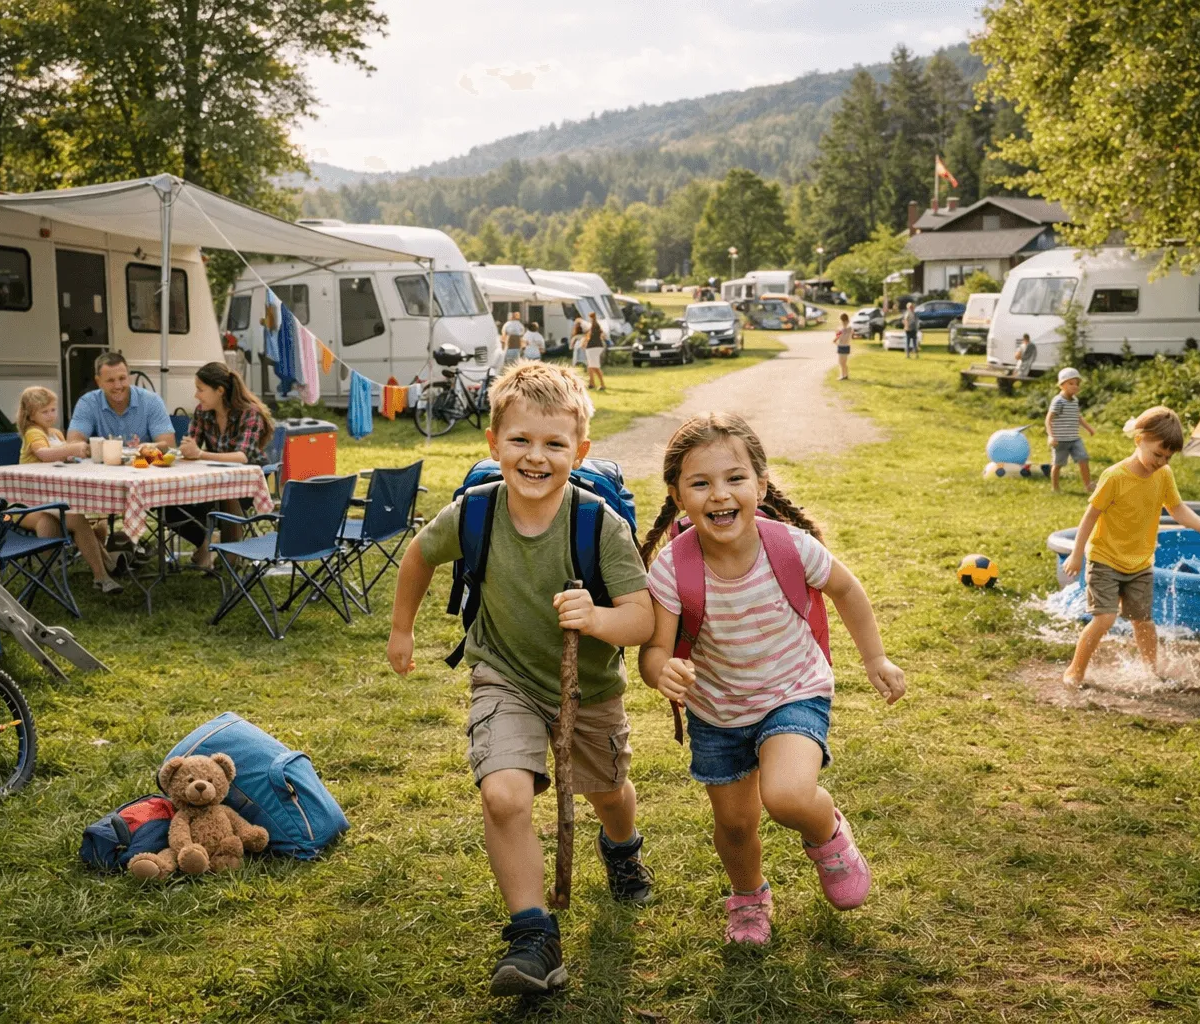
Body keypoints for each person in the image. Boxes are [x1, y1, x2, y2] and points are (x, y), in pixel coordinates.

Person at [387, 362, 654, 997]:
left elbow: (641, 618)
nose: (536, 457)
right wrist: (402, 629)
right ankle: (534, 935)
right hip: (503, 674)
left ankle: (621, 849)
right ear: (493, 443)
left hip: (588, 690)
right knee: (504, 795)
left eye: (554, 444)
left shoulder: (598, 525)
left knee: (609, 790)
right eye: (521, 441)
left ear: (579, 451)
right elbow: (420, 555)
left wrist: (597, 617)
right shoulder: (474, 512)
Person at [636, 413, 905, 945]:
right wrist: (659, 671)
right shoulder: (671, 567)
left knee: (785, 795)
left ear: (760, 484)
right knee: (735, 826)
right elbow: (654, 650)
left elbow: (846, 590)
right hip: (717, 711)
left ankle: (827, 834)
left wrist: (875, 659)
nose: (720, 494)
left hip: (793, 691)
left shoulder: (788, 545)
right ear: (677, 495)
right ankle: (749, 898)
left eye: (735, 478)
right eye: (700, 482)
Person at [1060, 407, 1200, 685]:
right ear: (1139, 440)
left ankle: (1151, 671)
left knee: (1144, 621)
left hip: (1139, 563)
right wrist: (1076, 555)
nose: (1161, 461)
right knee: (1105, 619)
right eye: (1157, 454)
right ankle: (1075, 670)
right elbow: (1090, 517)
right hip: (1105, 559)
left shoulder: (1163, 475)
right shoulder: (1115, 477)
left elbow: (1177, 508)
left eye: (1167, 457)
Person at [15, 387, 124, 593]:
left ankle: (105, 564)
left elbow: (64, 456)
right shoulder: (33, 433)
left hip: (53, 497)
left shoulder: (55, 433)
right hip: (31, 498)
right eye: (44, 411)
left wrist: (79, 453)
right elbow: (45, 454)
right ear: (30, 415)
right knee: (76, 519)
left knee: (93, 519)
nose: (51, 415)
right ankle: (102, 575)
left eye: (53, 410)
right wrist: (71, 448)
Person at [170, 362, 275, 573]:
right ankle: (205, 543)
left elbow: (242, 456)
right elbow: (192, 445)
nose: (196, 395)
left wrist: (200, 454)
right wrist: (187, 450)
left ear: (220, 391)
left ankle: (230, 559)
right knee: (169, 504)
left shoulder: (249, 413)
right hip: (213, 478)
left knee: (229, 493)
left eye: (200, 389)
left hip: (249, 483)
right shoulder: (203, 412)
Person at [66, 351, 176, 450]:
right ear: (98, 382)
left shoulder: (152, 401)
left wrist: (147, 451)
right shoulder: (87, 403)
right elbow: (73, 444)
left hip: (143, 466)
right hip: (104, 470)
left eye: (122, 378)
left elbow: (169, 446)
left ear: (129, 377)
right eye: (110, 380)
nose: (118, 386)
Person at [1046, 367, 1096, 492]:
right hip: (1060, 440)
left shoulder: (1075, 400)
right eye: (1071, 383)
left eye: (1077, 384)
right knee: (1057, 464)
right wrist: (1051, 436)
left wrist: (1088, 428)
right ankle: (1055, 488)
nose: (1075, 386)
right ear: (1061, 385)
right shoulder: (1058, 401)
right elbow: (1048, 420)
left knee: (1083, 458)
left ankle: (1088, 485)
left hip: (1074, 439)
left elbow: (1078, 416)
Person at [579, 311, 607, 391]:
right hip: (595, 347)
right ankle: (591, 383)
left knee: (595, 367)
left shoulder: (594, 326)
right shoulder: (596, 326)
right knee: (591, 366)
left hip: (593, 348)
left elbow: (589, 336)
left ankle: (602, 384)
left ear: (590, 318)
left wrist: (584, 343)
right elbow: (602, 335)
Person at [833, 312, 854, 381]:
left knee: (841, 362)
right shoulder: (849, 329)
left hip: (842, 346)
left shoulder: (841, 329)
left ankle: (843, 375)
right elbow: (836, 339)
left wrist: (837, 333)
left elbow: (836, 339)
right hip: (846, 346)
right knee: (843, 362)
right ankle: (845, 375)